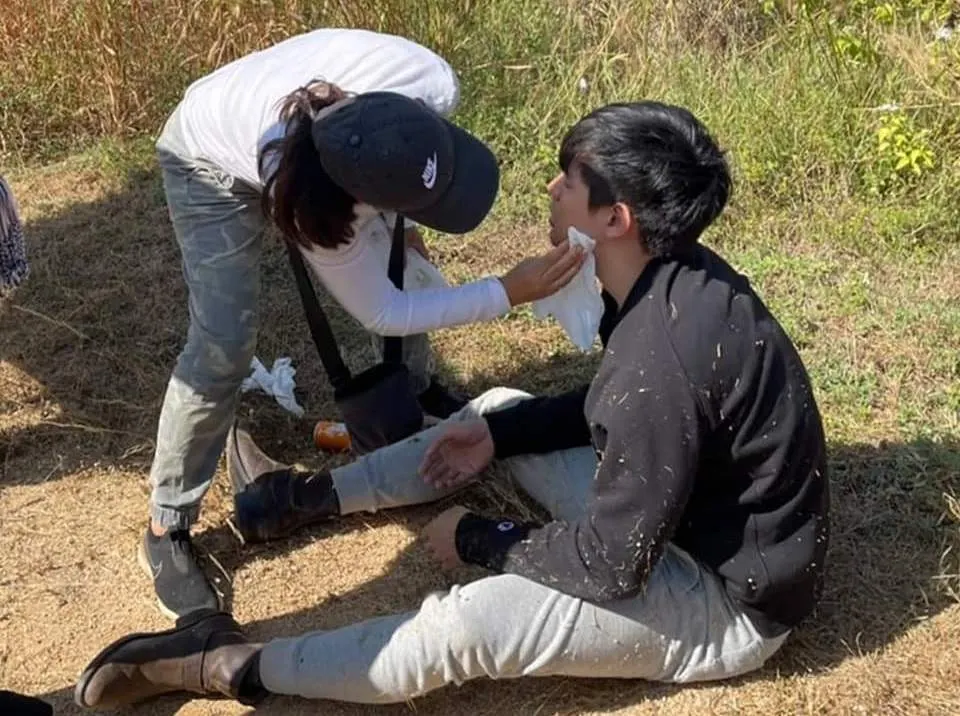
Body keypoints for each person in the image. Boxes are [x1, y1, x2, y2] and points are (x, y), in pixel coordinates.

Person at [75, 100, 829, 710]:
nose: (551, 188)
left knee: (462, 627)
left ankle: (228, 664)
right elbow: (615, 409)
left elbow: (611, 564)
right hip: (676, 515)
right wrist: (496, 436)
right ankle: (304, 496)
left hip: (721, 600)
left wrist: (480, 537)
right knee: (495, 410)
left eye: (569, 179)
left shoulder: (661, 355)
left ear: (615, 220)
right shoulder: (669, 277)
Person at [145, 28, 584, 620]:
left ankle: (416, 389)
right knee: (224, 341)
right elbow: (381, 310)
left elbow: (402, 173)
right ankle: (166, 523)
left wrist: (412, 225)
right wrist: (507, 291)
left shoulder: (427, 82)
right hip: (205, 154)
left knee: (409, 266)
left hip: (300, 129)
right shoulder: (319, 207)